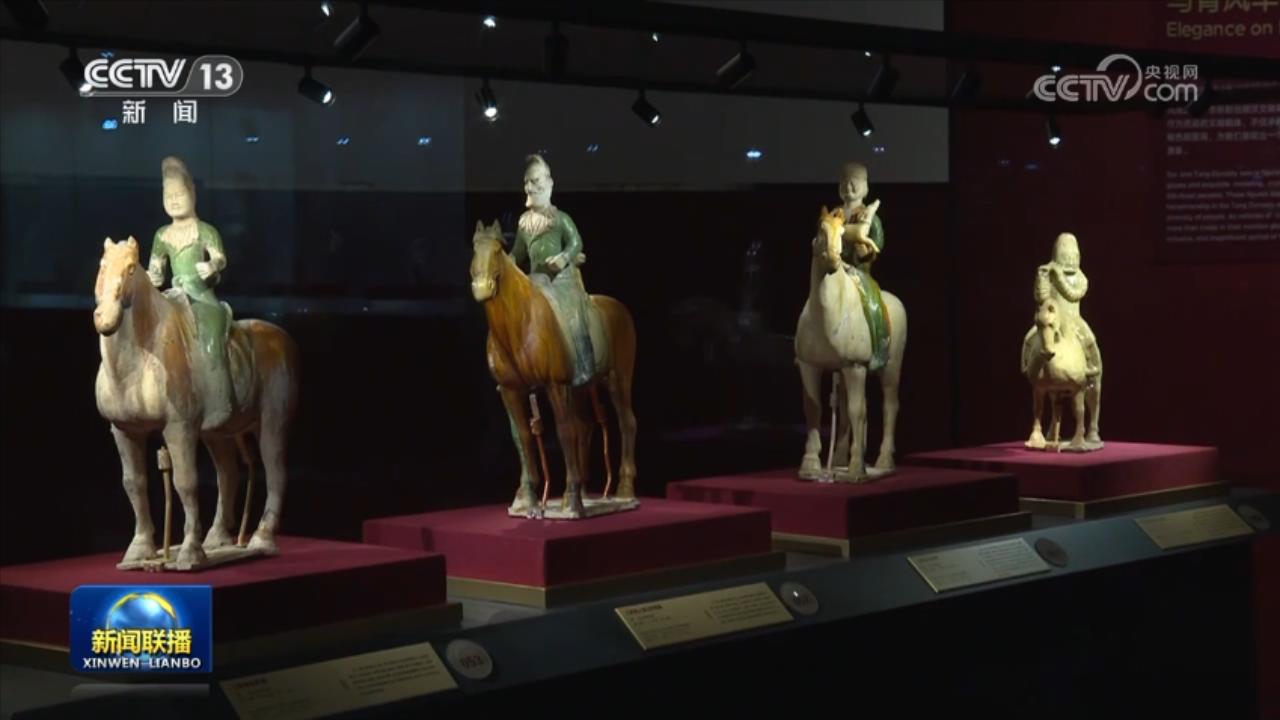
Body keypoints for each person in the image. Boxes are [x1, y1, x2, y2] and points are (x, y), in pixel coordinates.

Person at [146, 156, 235, 428]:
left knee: (211, 340)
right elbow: (156, 268)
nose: (173, 201)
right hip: (174, 298)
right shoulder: (162, 235)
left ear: (192, 194)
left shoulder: (205, 230)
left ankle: (220, 400)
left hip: (202, 299)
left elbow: (220, 258)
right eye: (168, 196)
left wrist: (212, 266)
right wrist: (152, 277)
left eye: (179, 194)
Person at [511, 154, 597, 385]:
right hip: (535, 280)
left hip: (561, 279)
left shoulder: (560, 219)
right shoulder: (524, 223)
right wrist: (505, 263)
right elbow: (518, 252)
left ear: (549, 183)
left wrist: (563, 257)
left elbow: (576, 242)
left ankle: (584, 364)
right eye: (527, 182)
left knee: (573, 314)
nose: (530, 187)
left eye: (535, 181)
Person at [836, 162, 890, 371]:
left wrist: (865, 253)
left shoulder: (870, 216)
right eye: (844, 182)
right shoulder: (835, 214)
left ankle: (879, 346)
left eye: (854, 182)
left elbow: (878, 241)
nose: (849, 186)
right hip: (835, 268)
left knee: (872, 300)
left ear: (865, 185)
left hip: (859, 271)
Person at [1032, 232, 1101, 378]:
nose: (1069, 261)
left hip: (1074, 320)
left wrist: (1059, 277)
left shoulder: (1080, 278)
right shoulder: (1050, 274)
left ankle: (1093, 371)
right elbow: (1042, 298)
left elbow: (1075, 294)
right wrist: (1041, 279)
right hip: (1052, 319)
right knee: (1029, 339)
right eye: (1065, 256)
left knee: (1090, 341)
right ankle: (1027, 364)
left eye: (1072, 257)